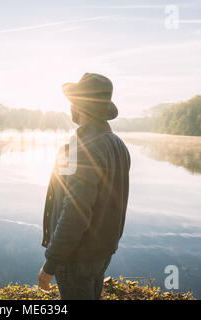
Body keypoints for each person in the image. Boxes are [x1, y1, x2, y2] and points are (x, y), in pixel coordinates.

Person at [37, 73, 131, 300]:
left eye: (73, 101)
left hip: (77, 256)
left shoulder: (82, 149)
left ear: (80, 106)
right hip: (102, 251)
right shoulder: (118, 145)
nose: (70, 107)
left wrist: (50, 265)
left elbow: (75, 212)